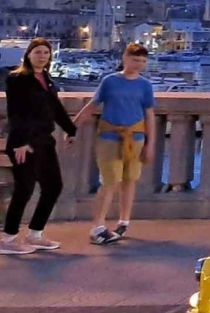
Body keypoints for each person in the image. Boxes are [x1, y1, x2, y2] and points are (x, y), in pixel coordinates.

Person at [72, 43, 156, 245]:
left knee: (130, 179)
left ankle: (124, 221)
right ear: (125, 58)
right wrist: (73, 127)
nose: (139, 64)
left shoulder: (145, 85)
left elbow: (149, 115)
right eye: (135, 60)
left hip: (135, 138)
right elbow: (92, 105)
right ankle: (98, 227)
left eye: (143, 61)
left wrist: (150, 144)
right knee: (110, 181)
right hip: (110, 137)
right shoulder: (109, 81)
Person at [2, 38, 78, 254]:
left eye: (46, 52)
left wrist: (70, 130)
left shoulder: (46, 78)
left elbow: (55, 108)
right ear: (28, 55)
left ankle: (35, 234)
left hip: (44, 141)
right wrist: (21, 143)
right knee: (24, 188)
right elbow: (15, 113)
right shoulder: (17, 79)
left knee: (53, 186)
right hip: (24, 143)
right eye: (37, 52)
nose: (42, 56)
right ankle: (7, 239)